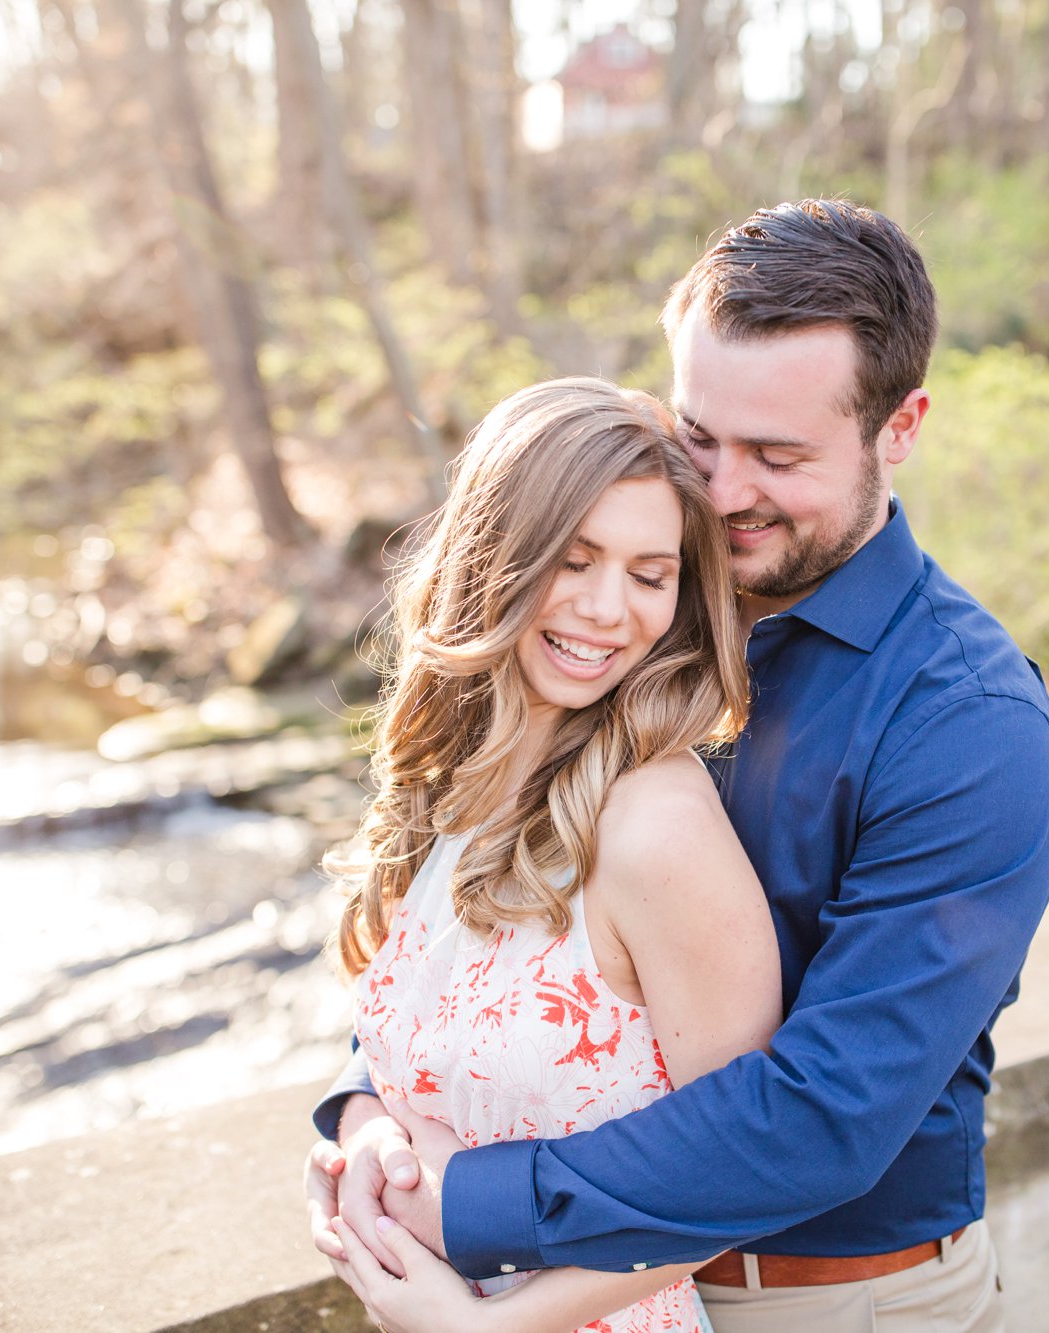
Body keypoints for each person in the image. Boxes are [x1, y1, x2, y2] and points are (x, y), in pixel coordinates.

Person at [310, 199, 1049, 1333]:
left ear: (898, 426)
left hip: (831, 1306)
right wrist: (365, 1111)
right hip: (564, 1285)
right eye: (700, 437)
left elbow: (820, 1117)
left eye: (778, 456)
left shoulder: (970, 729)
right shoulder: (621, 630)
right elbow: (479, 949)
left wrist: (463, 1200)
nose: (720, 493)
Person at [321, 377, 782, 1332]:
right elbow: (393, 1051)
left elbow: (741, 1173)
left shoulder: (659, 826)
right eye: (574, 561)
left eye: (650, 576)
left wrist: (489, 1326)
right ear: (495, 554)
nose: (609, 609)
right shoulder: (455, 781)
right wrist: (360, 1136)